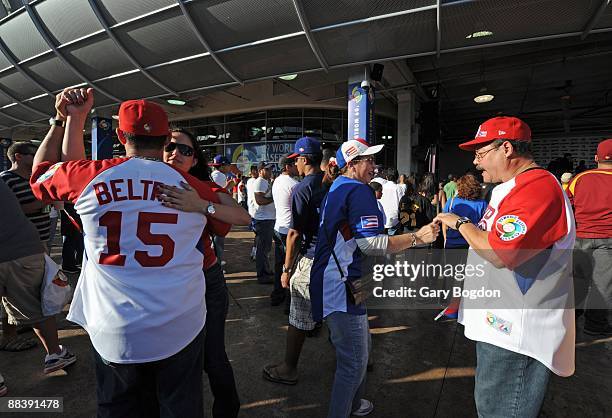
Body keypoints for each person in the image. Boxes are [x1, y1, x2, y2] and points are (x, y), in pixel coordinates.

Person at [30, 87, 231, 417]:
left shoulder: (90, 176)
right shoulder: (190, 185)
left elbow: (41, 175)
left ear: (121, 135)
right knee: (180, 406)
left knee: (118, 408)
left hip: (114, 326)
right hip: (178, 323)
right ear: (166, 139)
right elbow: (227, 219)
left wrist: (65, 119)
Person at [434, 116, 576, 418]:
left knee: (500, 410)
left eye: (480, 153)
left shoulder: (537, 187)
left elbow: (501, 252)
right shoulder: (510, 188)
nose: (475, 162)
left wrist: (460, 223)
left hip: (516, 333)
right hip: (500, 322)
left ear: (507, 148)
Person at [310, 139, 438, 418]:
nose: (374, 166)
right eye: (368, 160)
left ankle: (354, 405)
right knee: (353, 362)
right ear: (352, 164)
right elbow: (372, 244)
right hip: (341, 284)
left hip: (340, 279)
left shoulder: (339, 186)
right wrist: (419, 237)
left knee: (359, 351)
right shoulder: (358, 190)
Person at [159, 128, 249, 417]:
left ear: (194, 158)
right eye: (170, 146)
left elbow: (243, 217)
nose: (176, 153)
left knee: (211, 356)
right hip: (160, 286)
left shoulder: (199, 187)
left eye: (185, 150)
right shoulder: (138, 180)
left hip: (204, 279)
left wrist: (200, 205)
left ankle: (227, 410)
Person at [263, 137, 325, 386]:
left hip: (311, 258)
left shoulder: (304, 188)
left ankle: (288, 368)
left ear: (304, 159)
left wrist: (287, 269)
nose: (294, 164)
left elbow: (295, 234)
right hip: (334, 257)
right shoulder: (332, 183)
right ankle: (360, 359)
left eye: (296, 159)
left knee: (298, 315)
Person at [1, 176, 76, 372]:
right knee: (39, 307)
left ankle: (55, 354)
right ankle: (55, 354)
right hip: (22, 251)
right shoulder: (5, 180)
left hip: (20, 250)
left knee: (37, 307)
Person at [566, 138, 612, 336]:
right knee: (604, 285)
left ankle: (569, 320)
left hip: (580, 237)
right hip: (609, 239)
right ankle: (595, 324)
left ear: (596, 158)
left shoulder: (580, 178)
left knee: (577, 281)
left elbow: (566, 204)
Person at [1, 141, 51, 249]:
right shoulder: (5, 179)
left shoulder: (37, 179)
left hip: (42, 240)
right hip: (19, 244)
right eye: (34, 155)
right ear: (18, 156)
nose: (39, 157)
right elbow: (8, 212)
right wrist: (43, 202)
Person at [270, 154, 299, 306]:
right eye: (294, 163)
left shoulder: (277, 181)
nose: (297, 165)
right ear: (287, 167)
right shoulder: (294, 185)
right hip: (289, 230)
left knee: (279, 263)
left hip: (278, 227)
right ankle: (289, 303)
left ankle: (277, 295)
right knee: (290, 267)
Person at [442, 173, 487, 250]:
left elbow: (444, 221)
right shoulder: (482, 203)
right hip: (472, 243)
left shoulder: (451, 201)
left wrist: (445, 237)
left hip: (452, 242)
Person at [249, 161, 276, 284]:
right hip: (263, 220)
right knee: (262, 249)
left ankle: (266, 270)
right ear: (260, 171)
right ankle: (262, 275)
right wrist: (274, 198)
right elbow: (259, 200)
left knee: (265, 248)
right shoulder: (260, 182)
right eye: (267, 169)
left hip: (267, 219)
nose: (270, 171)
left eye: (270, 169)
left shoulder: (265, 182)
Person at [210, 155, 237, 266]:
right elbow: (217, 195)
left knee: (215, 240)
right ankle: (217, 263)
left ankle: (216, 261)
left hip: (212, 209)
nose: (229, 167)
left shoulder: (213, 174)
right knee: (218, 240)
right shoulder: (220, 176)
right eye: (228, 165)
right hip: (217, 211)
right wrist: (229, 186)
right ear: (222, 166)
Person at [246, 164, 259, 260]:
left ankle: (254, 251)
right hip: (255, 212)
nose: (255, 172)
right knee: (259, 234)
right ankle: (255, 252)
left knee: (257, 234)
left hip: (253, 212)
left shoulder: (249, 181)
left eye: (256, 170)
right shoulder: (253, 181)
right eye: (254, 170)